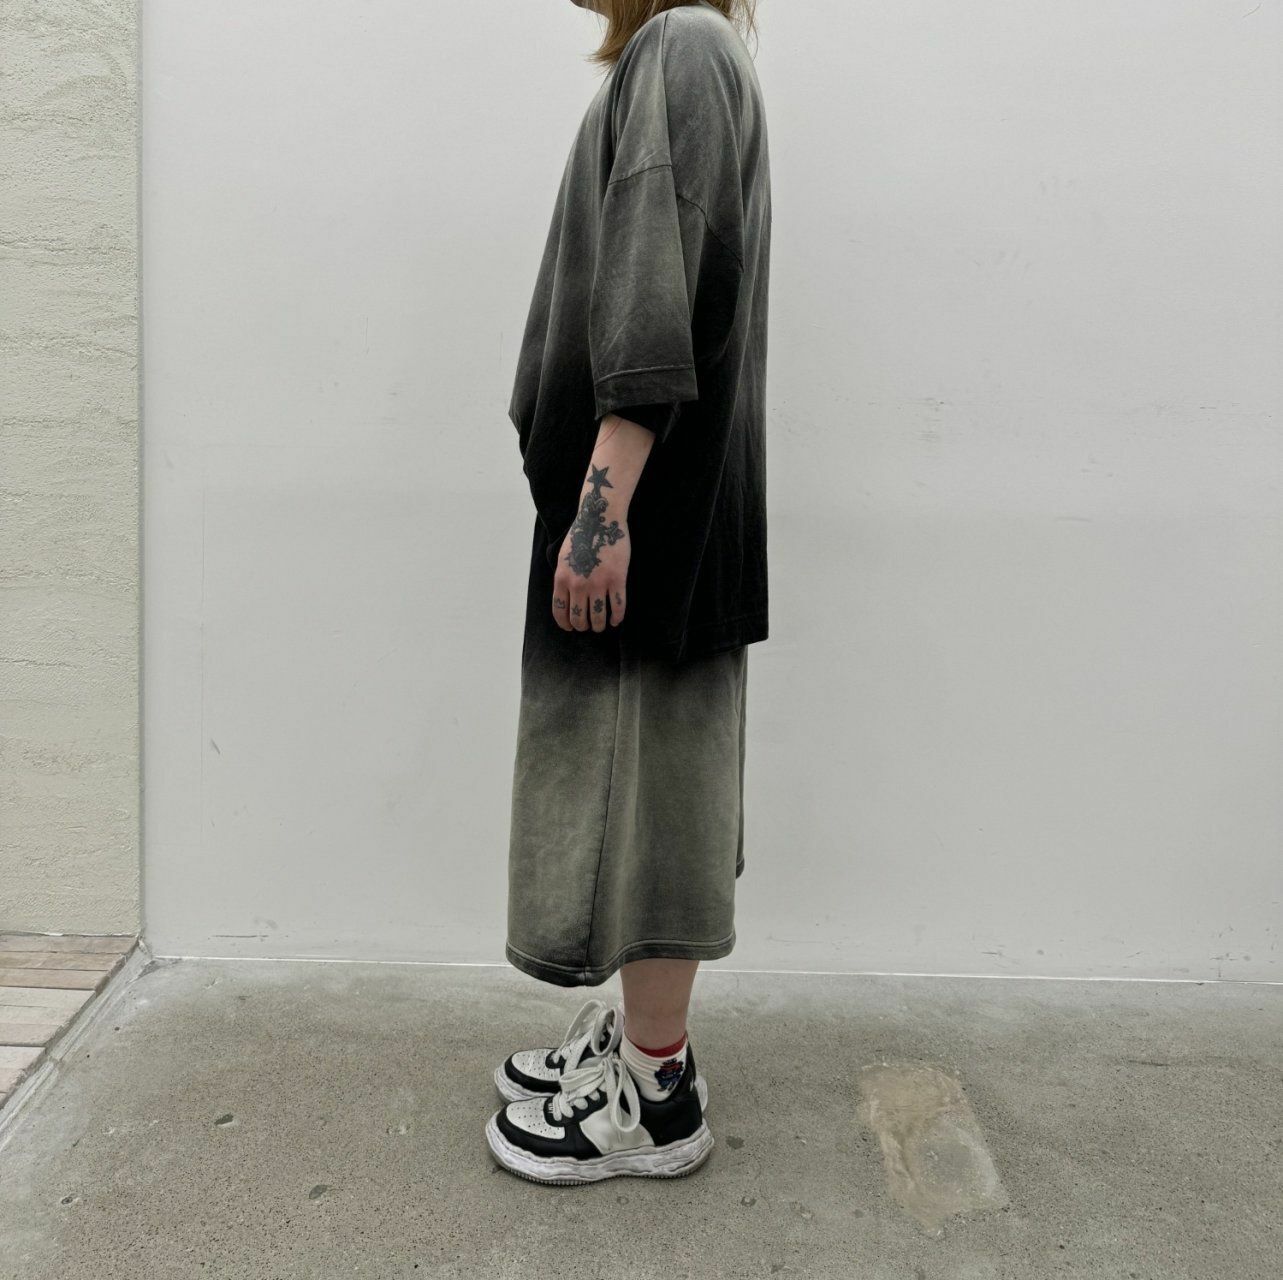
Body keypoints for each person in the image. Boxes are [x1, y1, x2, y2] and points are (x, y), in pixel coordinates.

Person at [487, 0, 770, 1185]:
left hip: (647, 514)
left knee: (653, 790)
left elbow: (657, 285)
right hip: (653, 501)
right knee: (639, 777)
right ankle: (643, 1043)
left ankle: (654, 1091)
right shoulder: (687, 55)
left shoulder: (681, 48)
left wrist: (601, 507)